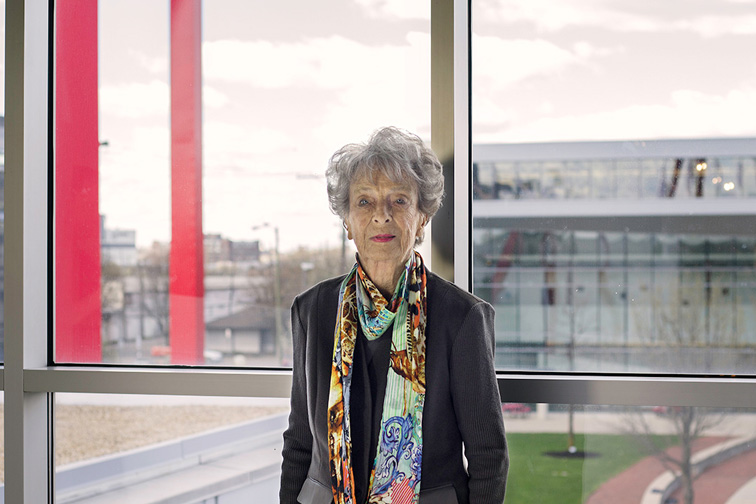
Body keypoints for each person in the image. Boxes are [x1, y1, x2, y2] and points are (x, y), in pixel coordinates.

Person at [280, 127, 508, 504]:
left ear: (422, 217)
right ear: (347, 221)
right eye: (365, 202)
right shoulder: (313, 310)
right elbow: (300, 442)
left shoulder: (462, 318)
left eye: (399, 201)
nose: (381, 216)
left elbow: (489, 457)